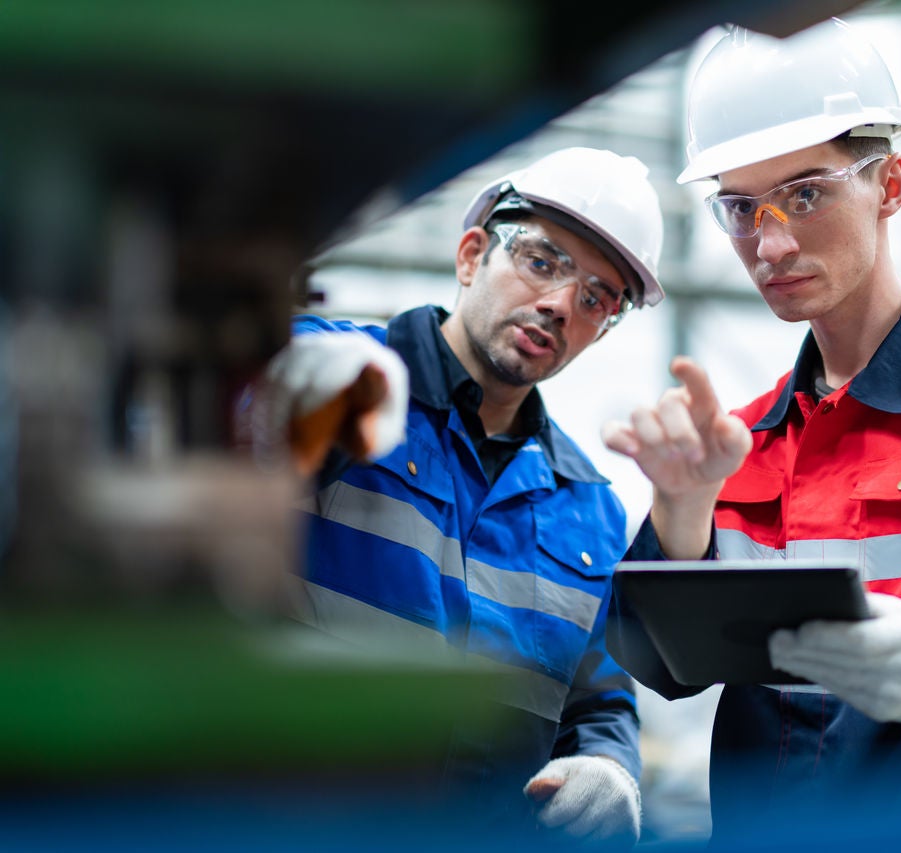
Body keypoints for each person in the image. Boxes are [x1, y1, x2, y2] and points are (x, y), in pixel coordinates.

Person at [602, 18, 901, 841]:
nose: (769, 243)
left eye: (805, 194)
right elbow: (651, 665)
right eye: (741, 207)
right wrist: (683, 510)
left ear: (890, 184)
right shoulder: (740, 444)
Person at [252, 147, 665, 847]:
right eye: (542, 260)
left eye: (597, 297)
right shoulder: (343, 384)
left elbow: (598, 700)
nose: (561, 304)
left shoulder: (589, 509)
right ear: (472, 255)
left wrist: (609, 764)